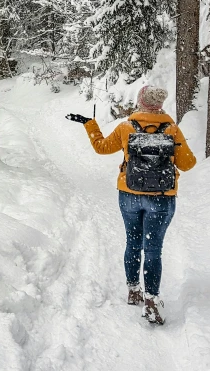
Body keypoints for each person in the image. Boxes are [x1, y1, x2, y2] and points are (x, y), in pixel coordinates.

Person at [66, 85, 196, 325]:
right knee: (153, 249)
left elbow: (101, 147)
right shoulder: (172, 129)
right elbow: (188, 164)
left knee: (133, 242)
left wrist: (89, 124)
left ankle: (133, 289)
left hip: (129, 193)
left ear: (140, 102)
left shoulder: (127, 127)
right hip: (162, 196)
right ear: (159, 104)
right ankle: (152, 301)